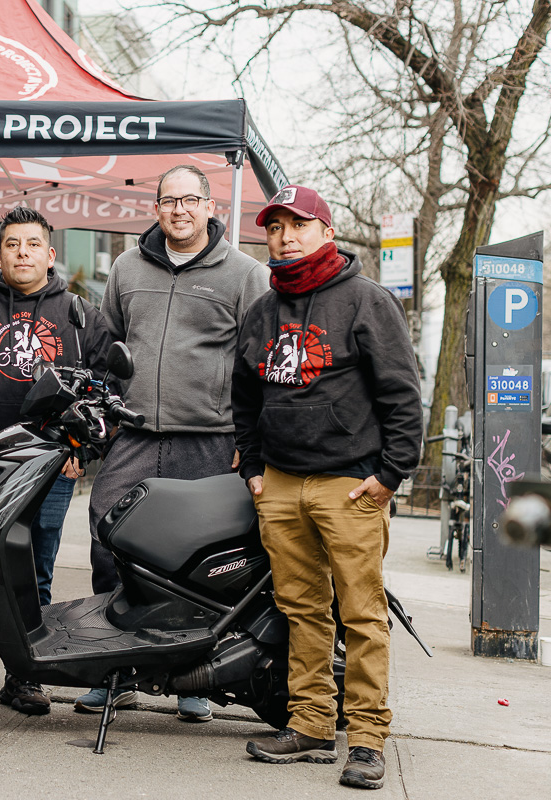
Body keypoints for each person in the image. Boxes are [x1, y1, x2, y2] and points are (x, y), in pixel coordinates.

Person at [233, 185, 422, 790]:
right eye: (276, 227)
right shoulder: (262, 311)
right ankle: (311, 723)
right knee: (300, 611)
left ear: (327, 231)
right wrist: (254, 469)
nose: (285, 237)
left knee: (362, 615)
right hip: (282, 485)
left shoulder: (367, 301)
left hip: (350, 485)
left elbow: (401, 395)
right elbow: (244, 395)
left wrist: (389, 476)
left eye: (298, 225)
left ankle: (366, 739)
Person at [78, 164, 269, 722]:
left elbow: (259, 363)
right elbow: (108, 345)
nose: (179, 210)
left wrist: (247, 438)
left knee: (195, 561)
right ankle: (113, 671)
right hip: (135, 434)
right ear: (156, 207)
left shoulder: (243, 274)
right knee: (108, 537)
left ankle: (192, 678)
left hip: (209, 441)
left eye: (190, 200)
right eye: (168, 200)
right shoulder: (126, 266)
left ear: (211, 206)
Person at [0, 205, 112, 716]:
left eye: (32, 245)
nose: (22, 253)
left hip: (50, 470)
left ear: (50, 256)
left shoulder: (80, 316)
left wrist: (84, 450)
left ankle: (23, 676)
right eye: (12, 244)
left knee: (35, 574)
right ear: (0, 252)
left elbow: (106, 389)